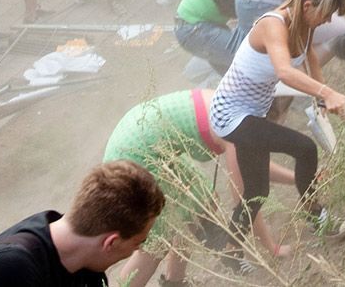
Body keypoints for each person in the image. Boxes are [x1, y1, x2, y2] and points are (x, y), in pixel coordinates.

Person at [209, 0, 345, 261]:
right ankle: (316, 217)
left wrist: (320, 96)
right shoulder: (273, 25)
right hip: (230, 114)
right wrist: (326, 93)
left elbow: (309, 56)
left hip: (254, 113)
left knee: (257, 190)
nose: (327, 22)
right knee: (305, 148)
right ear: (307, 6)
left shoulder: (304, 24)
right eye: (325, 15)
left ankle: (229, 250)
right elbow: (285, 71)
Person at [106, 89, 294, 287]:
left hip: (143, 139)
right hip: (134, 156)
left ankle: (175, 281)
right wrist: (271, 248)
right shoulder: (238, 132)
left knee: (201, 201)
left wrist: (298, 177)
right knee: (157, 244)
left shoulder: (236, 107)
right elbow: (246, 201)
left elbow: (254, 165)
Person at [0, 160, 164, 285]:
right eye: (138, 242)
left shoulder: (87, 268)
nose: (136, 250)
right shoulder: (11, 266)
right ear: (110, 242)